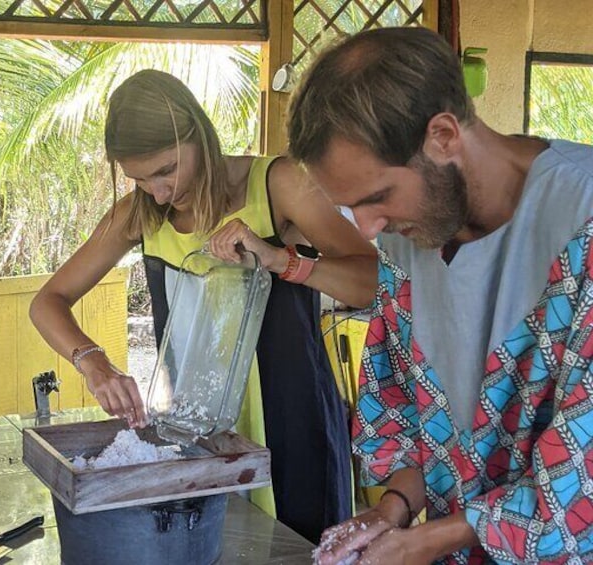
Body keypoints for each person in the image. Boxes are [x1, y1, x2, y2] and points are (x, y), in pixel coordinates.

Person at [30, 69, 377, 542]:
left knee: (301, 549)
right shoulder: (141, 214)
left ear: (200, 135)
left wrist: (279, 259)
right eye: (140, 178)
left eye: (167, 170)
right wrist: (95, 365)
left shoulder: (277, 185)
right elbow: (48, 302)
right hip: (200, 438)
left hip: (295, 427)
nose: (159, 192)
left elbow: (373, 281)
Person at [288, 26, 593, 564]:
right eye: (352, 207)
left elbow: (579, 481)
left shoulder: (580, 221)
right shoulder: (406, 241)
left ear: (445, 136)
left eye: (378, 197)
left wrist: (429, 539)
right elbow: (402, 406)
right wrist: (393, 511)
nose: (365, 228)